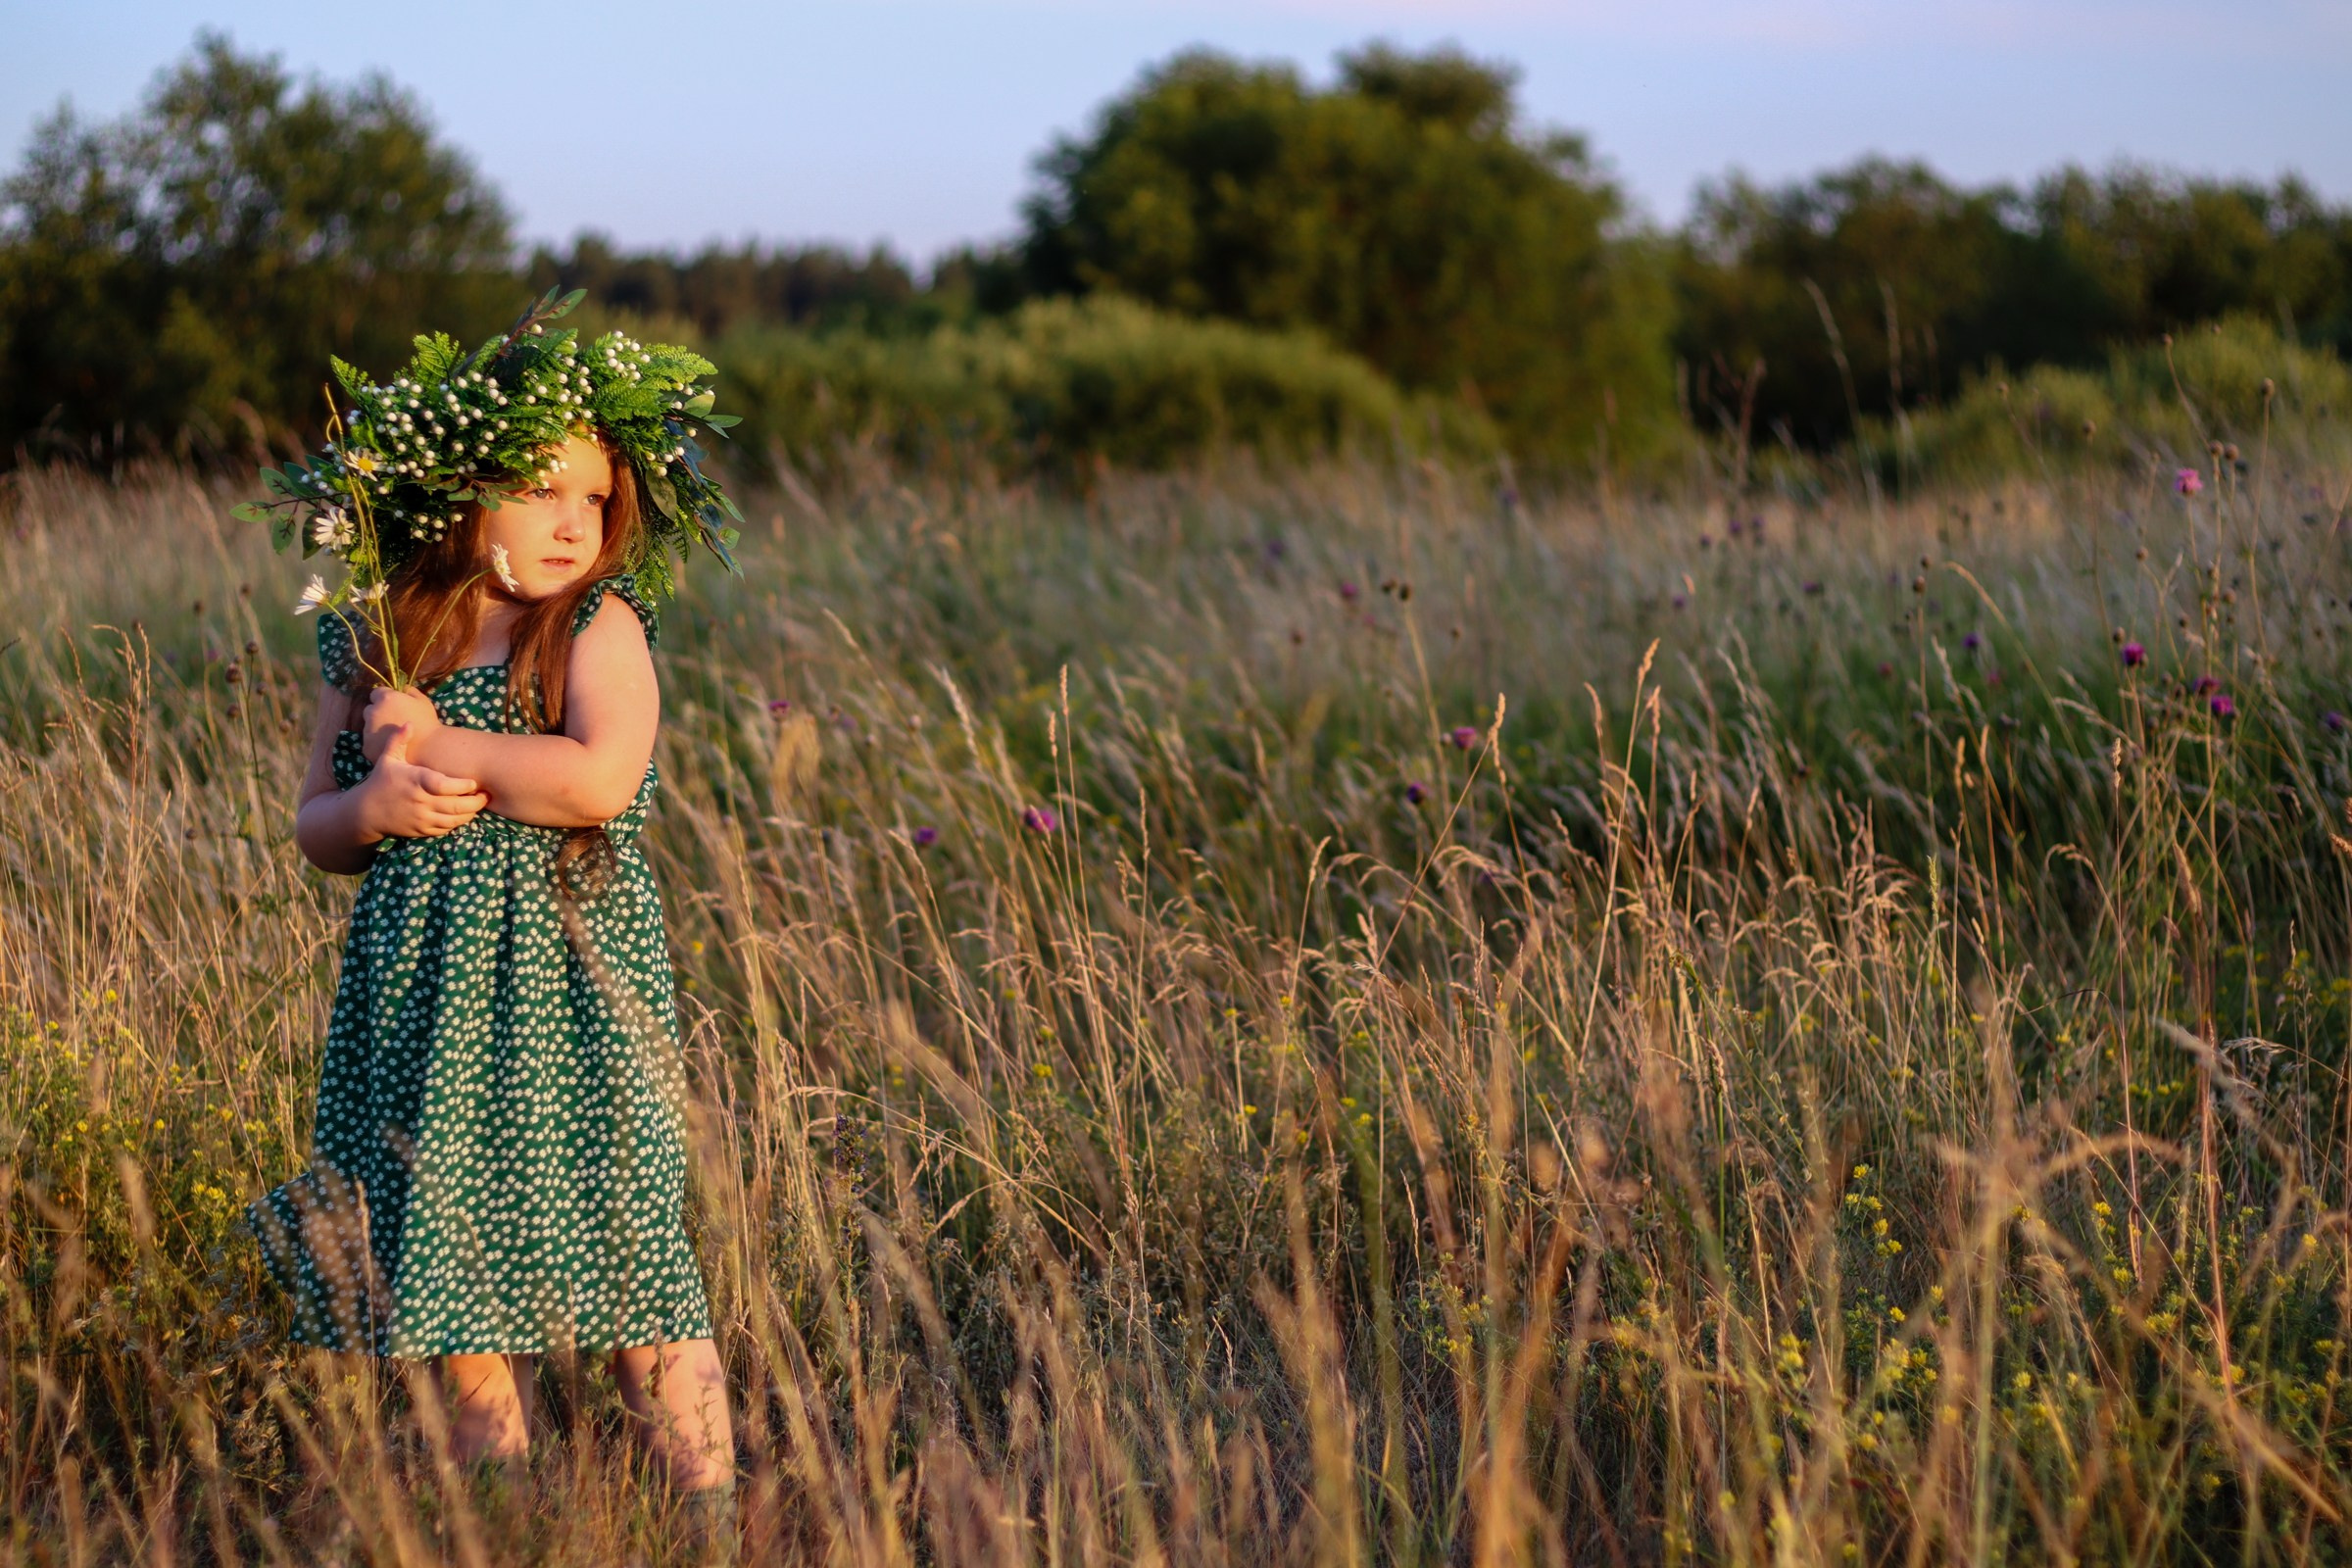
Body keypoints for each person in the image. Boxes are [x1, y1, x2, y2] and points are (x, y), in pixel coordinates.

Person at [239, 293, 746, 1560]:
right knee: (452, 1287)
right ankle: (509, 1526)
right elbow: (316, 830)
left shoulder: (597, 628)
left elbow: (596, 782)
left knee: (635, 1268)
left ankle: (712, 1520)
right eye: (538, 491)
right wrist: (377, 795)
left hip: (573, 989)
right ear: (452, 495)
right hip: (425, 998)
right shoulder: (381, 637)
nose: (574, 521)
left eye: (594, 495)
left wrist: (433, 740)